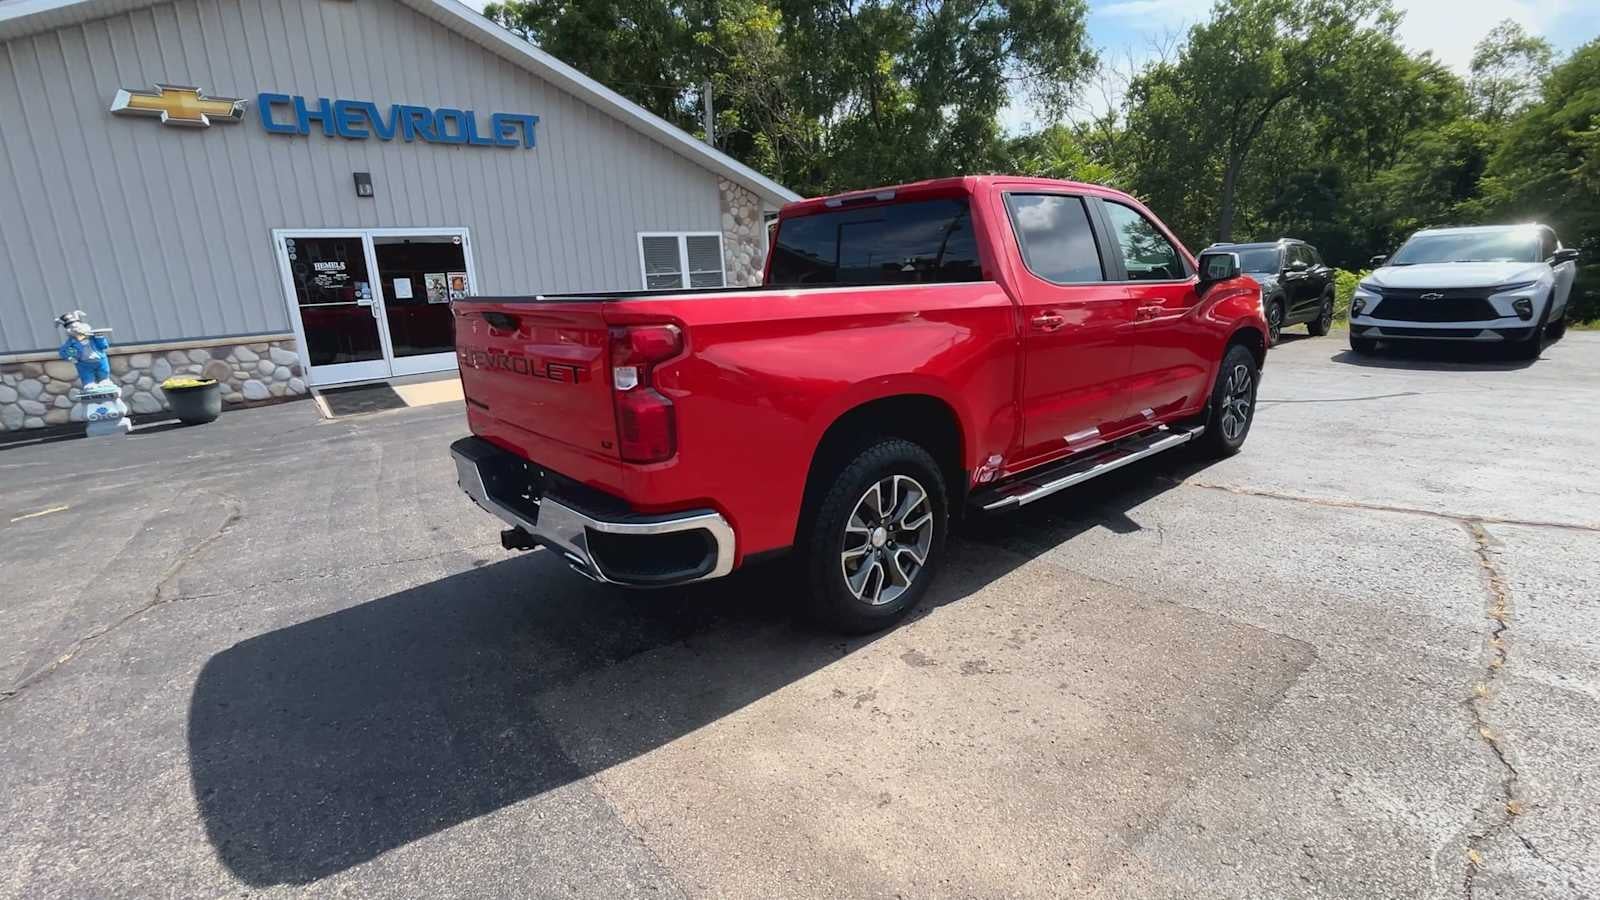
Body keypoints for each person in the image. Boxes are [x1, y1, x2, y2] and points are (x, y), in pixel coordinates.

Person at [56, 313, 112, 388]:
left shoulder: (93, 338)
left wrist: (100, 338)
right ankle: (89, 384)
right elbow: (63, 352)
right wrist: (71, 357)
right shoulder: (71, 343)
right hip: (84, 364)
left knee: (104, 373)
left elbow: (104, 346)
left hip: (100, 360)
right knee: (87, 377)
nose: (77, 329)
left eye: (78, 326)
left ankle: (105, 381)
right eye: (73, 327)